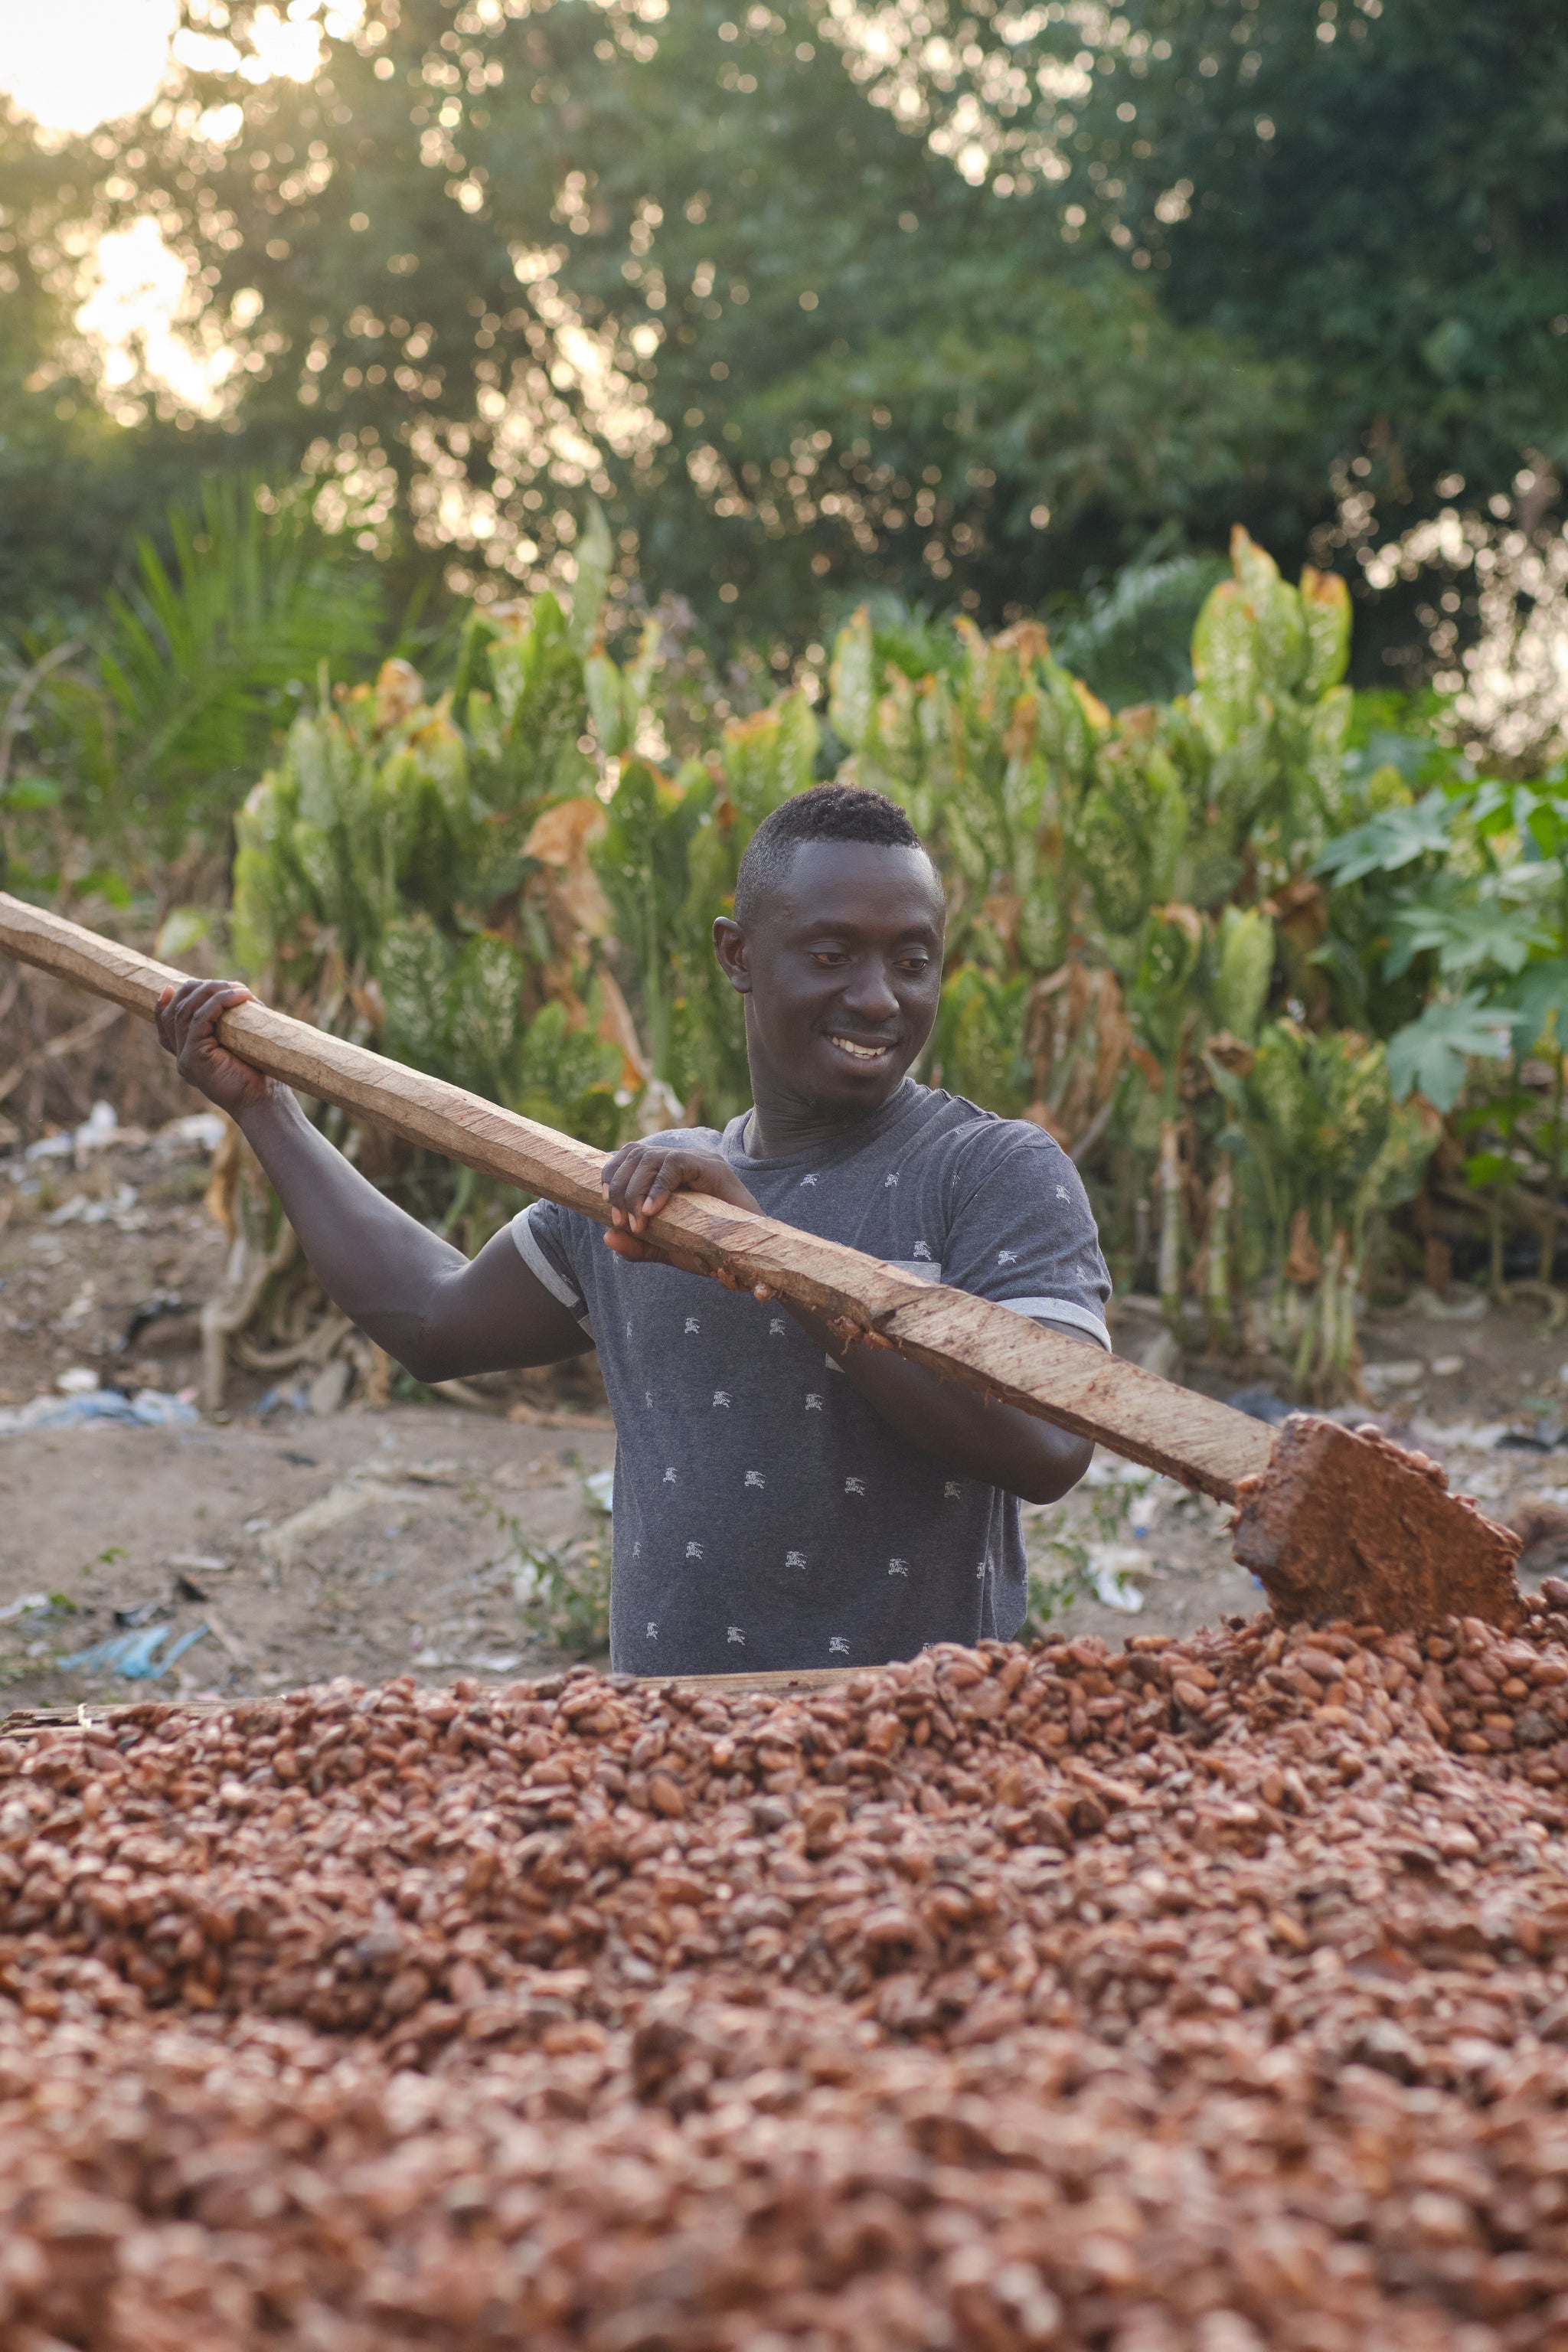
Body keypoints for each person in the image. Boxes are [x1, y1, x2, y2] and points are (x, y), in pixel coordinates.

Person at [157, 782, 1109, 1674]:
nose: (877, 998)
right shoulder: (656, 1191)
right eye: (830, 956)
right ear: (736, 955)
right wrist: (265, 1114)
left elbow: (1047, 1447)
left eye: (912, 961)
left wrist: (769, 1254)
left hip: (919, 1758)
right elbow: (427, 1321)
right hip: (662, 1763)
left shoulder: (990, 1172)